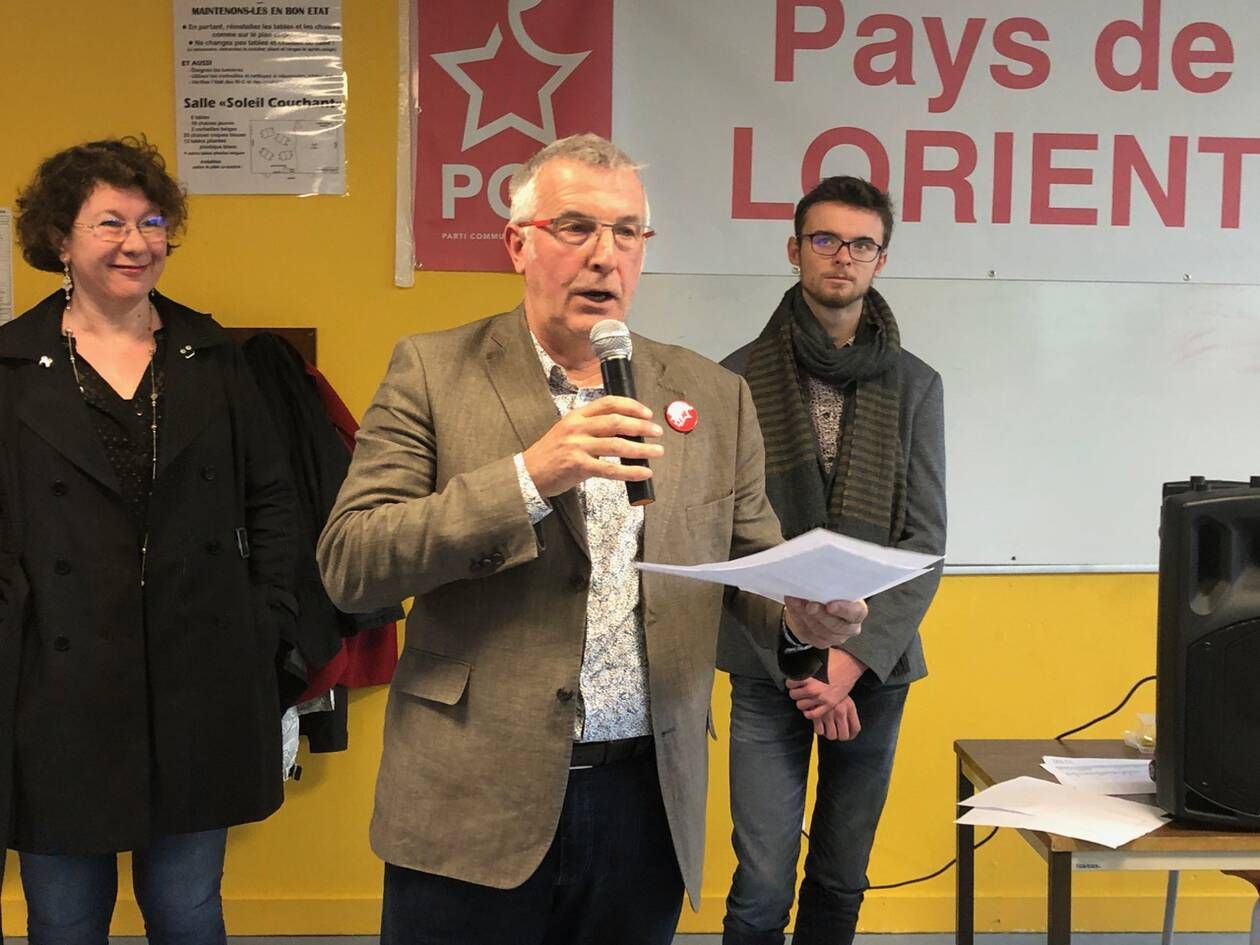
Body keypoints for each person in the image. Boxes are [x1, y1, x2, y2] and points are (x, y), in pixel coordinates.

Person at [316, 133, 867, 945]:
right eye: (576, 227)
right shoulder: (434, 371)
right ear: (518, 243)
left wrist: (799, 621)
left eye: (626, 232)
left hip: (644, 798)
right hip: (472, 793)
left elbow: (748, 574)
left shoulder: (712, 393)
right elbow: (351, 563)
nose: (604, 256)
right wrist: (528, 479)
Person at [0, 137, 297, 945]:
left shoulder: (212, 355)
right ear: (60, 239)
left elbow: (274, 499)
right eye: (110, 223)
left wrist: (266, 621)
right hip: (54, 689)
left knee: (188, 908)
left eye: (152, 220)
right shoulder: (12, 365)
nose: (137, 242)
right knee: (62, 916)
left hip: (198, 673)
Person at [718, 176, 947, 945]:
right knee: (760, 886)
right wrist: (799, 662)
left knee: (841, 876)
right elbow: (723, 536)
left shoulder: (916, 386)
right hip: (763, 663)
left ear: (880, 259)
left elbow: (923, 545)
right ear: (795, 250)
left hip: (872, 673)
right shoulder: (736, 377)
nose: (841, 257)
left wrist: (845, 663)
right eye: (824, 240)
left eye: (860, 244)